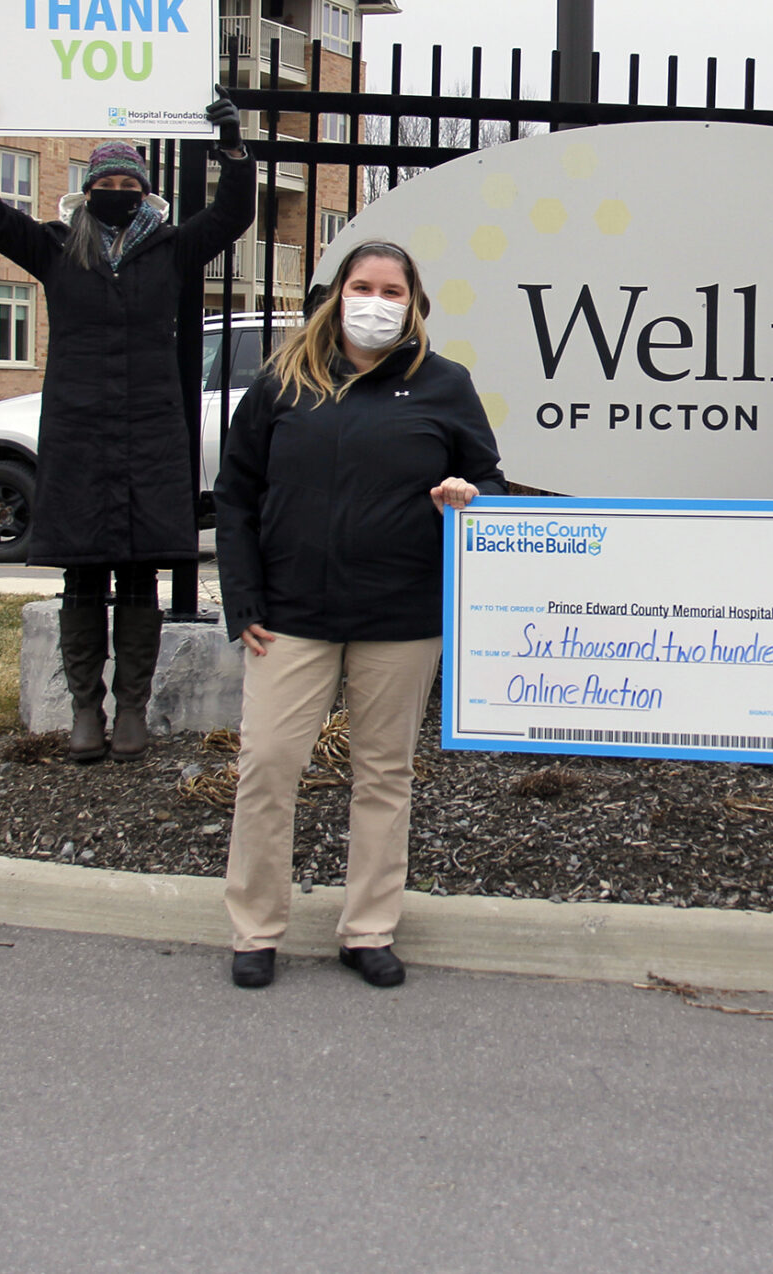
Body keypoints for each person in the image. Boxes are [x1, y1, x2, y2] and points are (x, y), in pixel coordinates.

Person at [213, 240, 506, 992]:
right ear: (337, 294)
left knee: (384, 775)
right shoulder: (283, 382)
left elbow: (489, 481)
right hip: (288, 616)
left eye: (392, 291)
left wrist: (467, 495)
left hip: (401, 615)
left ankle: (369, 929)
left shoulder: (443, 384)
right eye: (363, 287)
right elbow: (236, 495)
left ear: (415, 305)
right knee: (267, 768)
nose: (376, 303)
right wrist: (242, 596)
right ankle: (255, 930)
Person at [0, 86, 255, 764]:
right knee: (84, 573)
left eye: (129, 185)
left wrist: (234, 152)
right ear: (87, 192)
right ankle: (85, 711)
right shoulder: (56, 248)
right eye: (106, 185)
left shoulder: (171, 248)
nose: (117, 194)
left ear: (146, 193)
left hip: (149, 431)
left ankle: (131, 710)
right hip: (79, 431)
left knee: (141, 573)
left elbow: (232, 215)